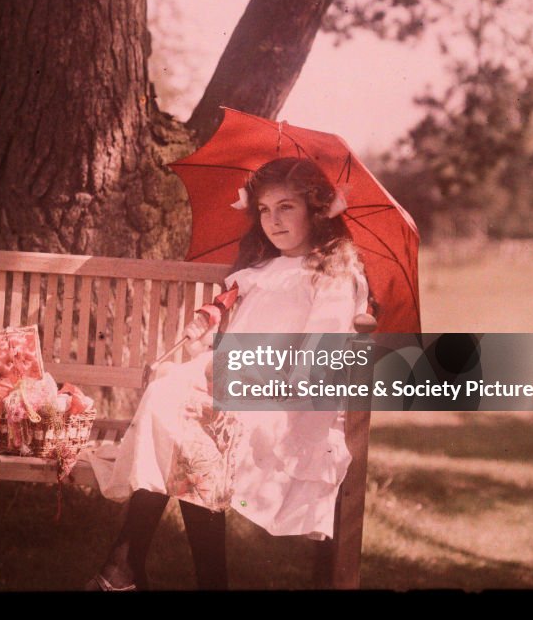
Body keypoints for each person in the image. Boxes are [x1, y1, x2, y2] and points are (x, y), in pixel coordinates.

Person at [83, 157, 370, 591]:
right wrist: (205, 353)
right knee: (170, 398)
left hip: (282, 399)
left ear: (316, 209)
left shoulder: (331, 273)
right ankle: (145, 571)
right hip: (234, 382)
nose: (273, 220)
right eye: (264, 210)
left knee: (193, 425)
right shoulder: (261, 271)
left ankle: (124, 567)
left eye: (286, 207)